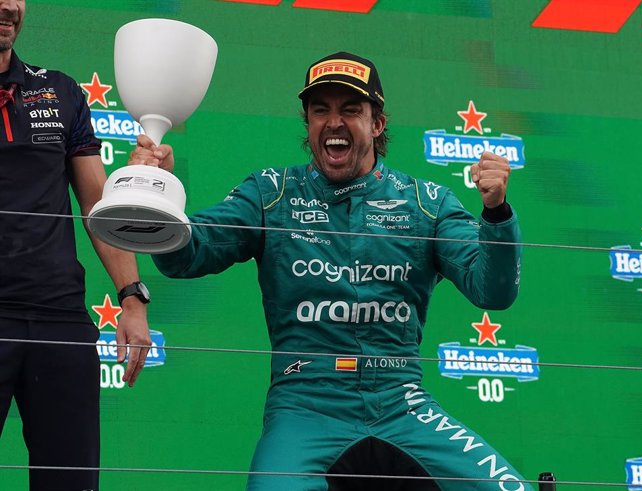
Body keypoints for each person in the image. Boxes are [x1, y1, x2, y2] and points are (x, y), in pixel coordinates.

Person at [131, 51, 531, 491]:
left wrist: (496, 214)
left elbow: (492, 292)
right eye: (320, 110)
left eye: (350, 110)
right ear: (307, 123)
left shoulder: (426, 202)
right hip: (304, 406)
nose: (333, 122)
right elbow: (186, 256)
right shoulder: (271, 192)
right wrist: (157, 197)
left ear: (377, 124)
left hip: (401, 403)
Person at [0, 1, 152, 490]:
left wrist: (132, 296)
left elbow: (96, 206)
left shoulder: (59, 91)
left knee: (71, 482)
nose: (9, 5)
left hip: (58, 320)